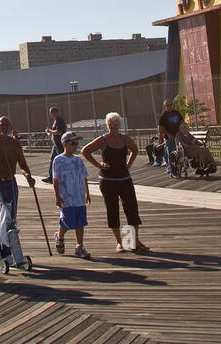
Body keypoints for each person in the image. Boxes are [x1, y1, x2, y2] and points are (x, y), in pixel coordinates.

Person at [82, 113, 149, 255]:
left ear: (120, 125)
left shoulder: (125, 139)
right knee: (112, 210)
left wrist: (128, 164)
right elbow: (85, 151)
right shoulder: (103, 140)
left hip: (124, 178)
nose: (113, 126)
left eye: (116, 123)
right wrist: (98, 165)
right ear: (107, 125)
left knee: (131, 209)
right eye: (111, 124)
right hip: (108, 181)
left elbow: (135, 150)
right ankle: (120, 241)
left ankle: (134, 241)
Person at [0, 116, 35, 265]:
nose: (4, 127)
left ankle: (8, 250)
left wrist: (27, 175)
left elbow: (22, 164)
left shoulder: (15, 144)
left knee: (10, 219)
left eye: (7, 125)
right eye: (1, 124)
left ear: (10, 127)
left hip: (10, 183)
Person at [52, 130, 91, 258]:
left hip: (79, 196)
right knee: (67, 221)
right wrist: (57, 196)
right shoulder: (58, 160)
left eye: (76, 143)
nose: (75, 146)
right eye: (72, 143)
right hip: (67, 197)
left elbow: (84, 176)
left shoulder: (78, 160)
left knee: (80, 222)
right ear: (65, 144)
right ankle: (60, 236)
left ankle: (79, 246)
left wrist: (87, 193)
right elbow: (56, 179)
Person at [41, 106, 66, 183]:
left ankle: (64, 177)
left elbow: (59, 132)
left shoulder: (59, 120)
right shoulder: (56, 121)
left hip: (60, 144)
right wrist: (50, 133)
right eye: (51, 112)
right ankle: (51, 177)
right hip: (56, 145)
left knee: (61, 161)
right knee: (53, 160)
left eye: (53, 112)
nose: (51, 114)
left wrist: (50, 131)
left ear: (57, 112)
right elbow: (55, 132)